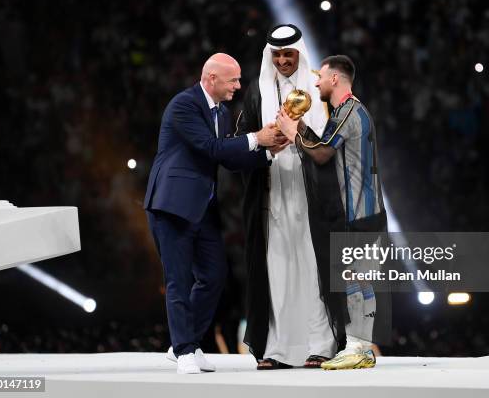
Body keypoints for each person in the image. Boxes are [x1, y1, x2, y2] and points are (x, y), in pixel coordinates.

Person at [144, 53, 284, 374]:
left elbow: (228, 158)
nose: (238, 85)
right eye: (232, 80)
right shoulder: (184, 105)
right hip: (172, 206)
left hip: (202, 208)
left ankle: (187, 341)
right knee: (178, 280)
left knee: (214, 276)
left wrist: (268, 153)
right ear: (211, 79)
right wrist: (255, 138)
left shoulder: (220, 110)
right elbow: (211, 148)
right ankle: (184, 351)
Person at [235, 24, 345, 369]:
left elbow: (335, 142)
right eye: (277, 55)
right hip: (271, 192)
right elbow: (242, 140)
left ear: (299, 53)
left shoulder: (320, 88)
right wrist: (263, 138)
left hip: (312, 191)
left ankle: (320, 345)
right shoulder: (257, 91)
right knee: (276, 268)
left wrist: (295, 133)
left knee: (313, 266)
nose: (282, 60)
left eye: (288, 54)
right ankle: (278, 349)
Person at [277, 55, 391, 370]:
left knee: (358, 279)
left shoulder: (350, 111)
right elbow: (324, 146)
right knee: (357, 279)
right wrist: (299, 127)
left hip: (360, 213)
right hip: (361, 212)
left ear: (335, 79)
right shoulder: (347, 112)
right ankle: (358, 347)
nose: (316, 82)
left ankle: (359, 348)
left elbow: (323, 154)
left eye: (321, 77)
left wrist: (292, 134)